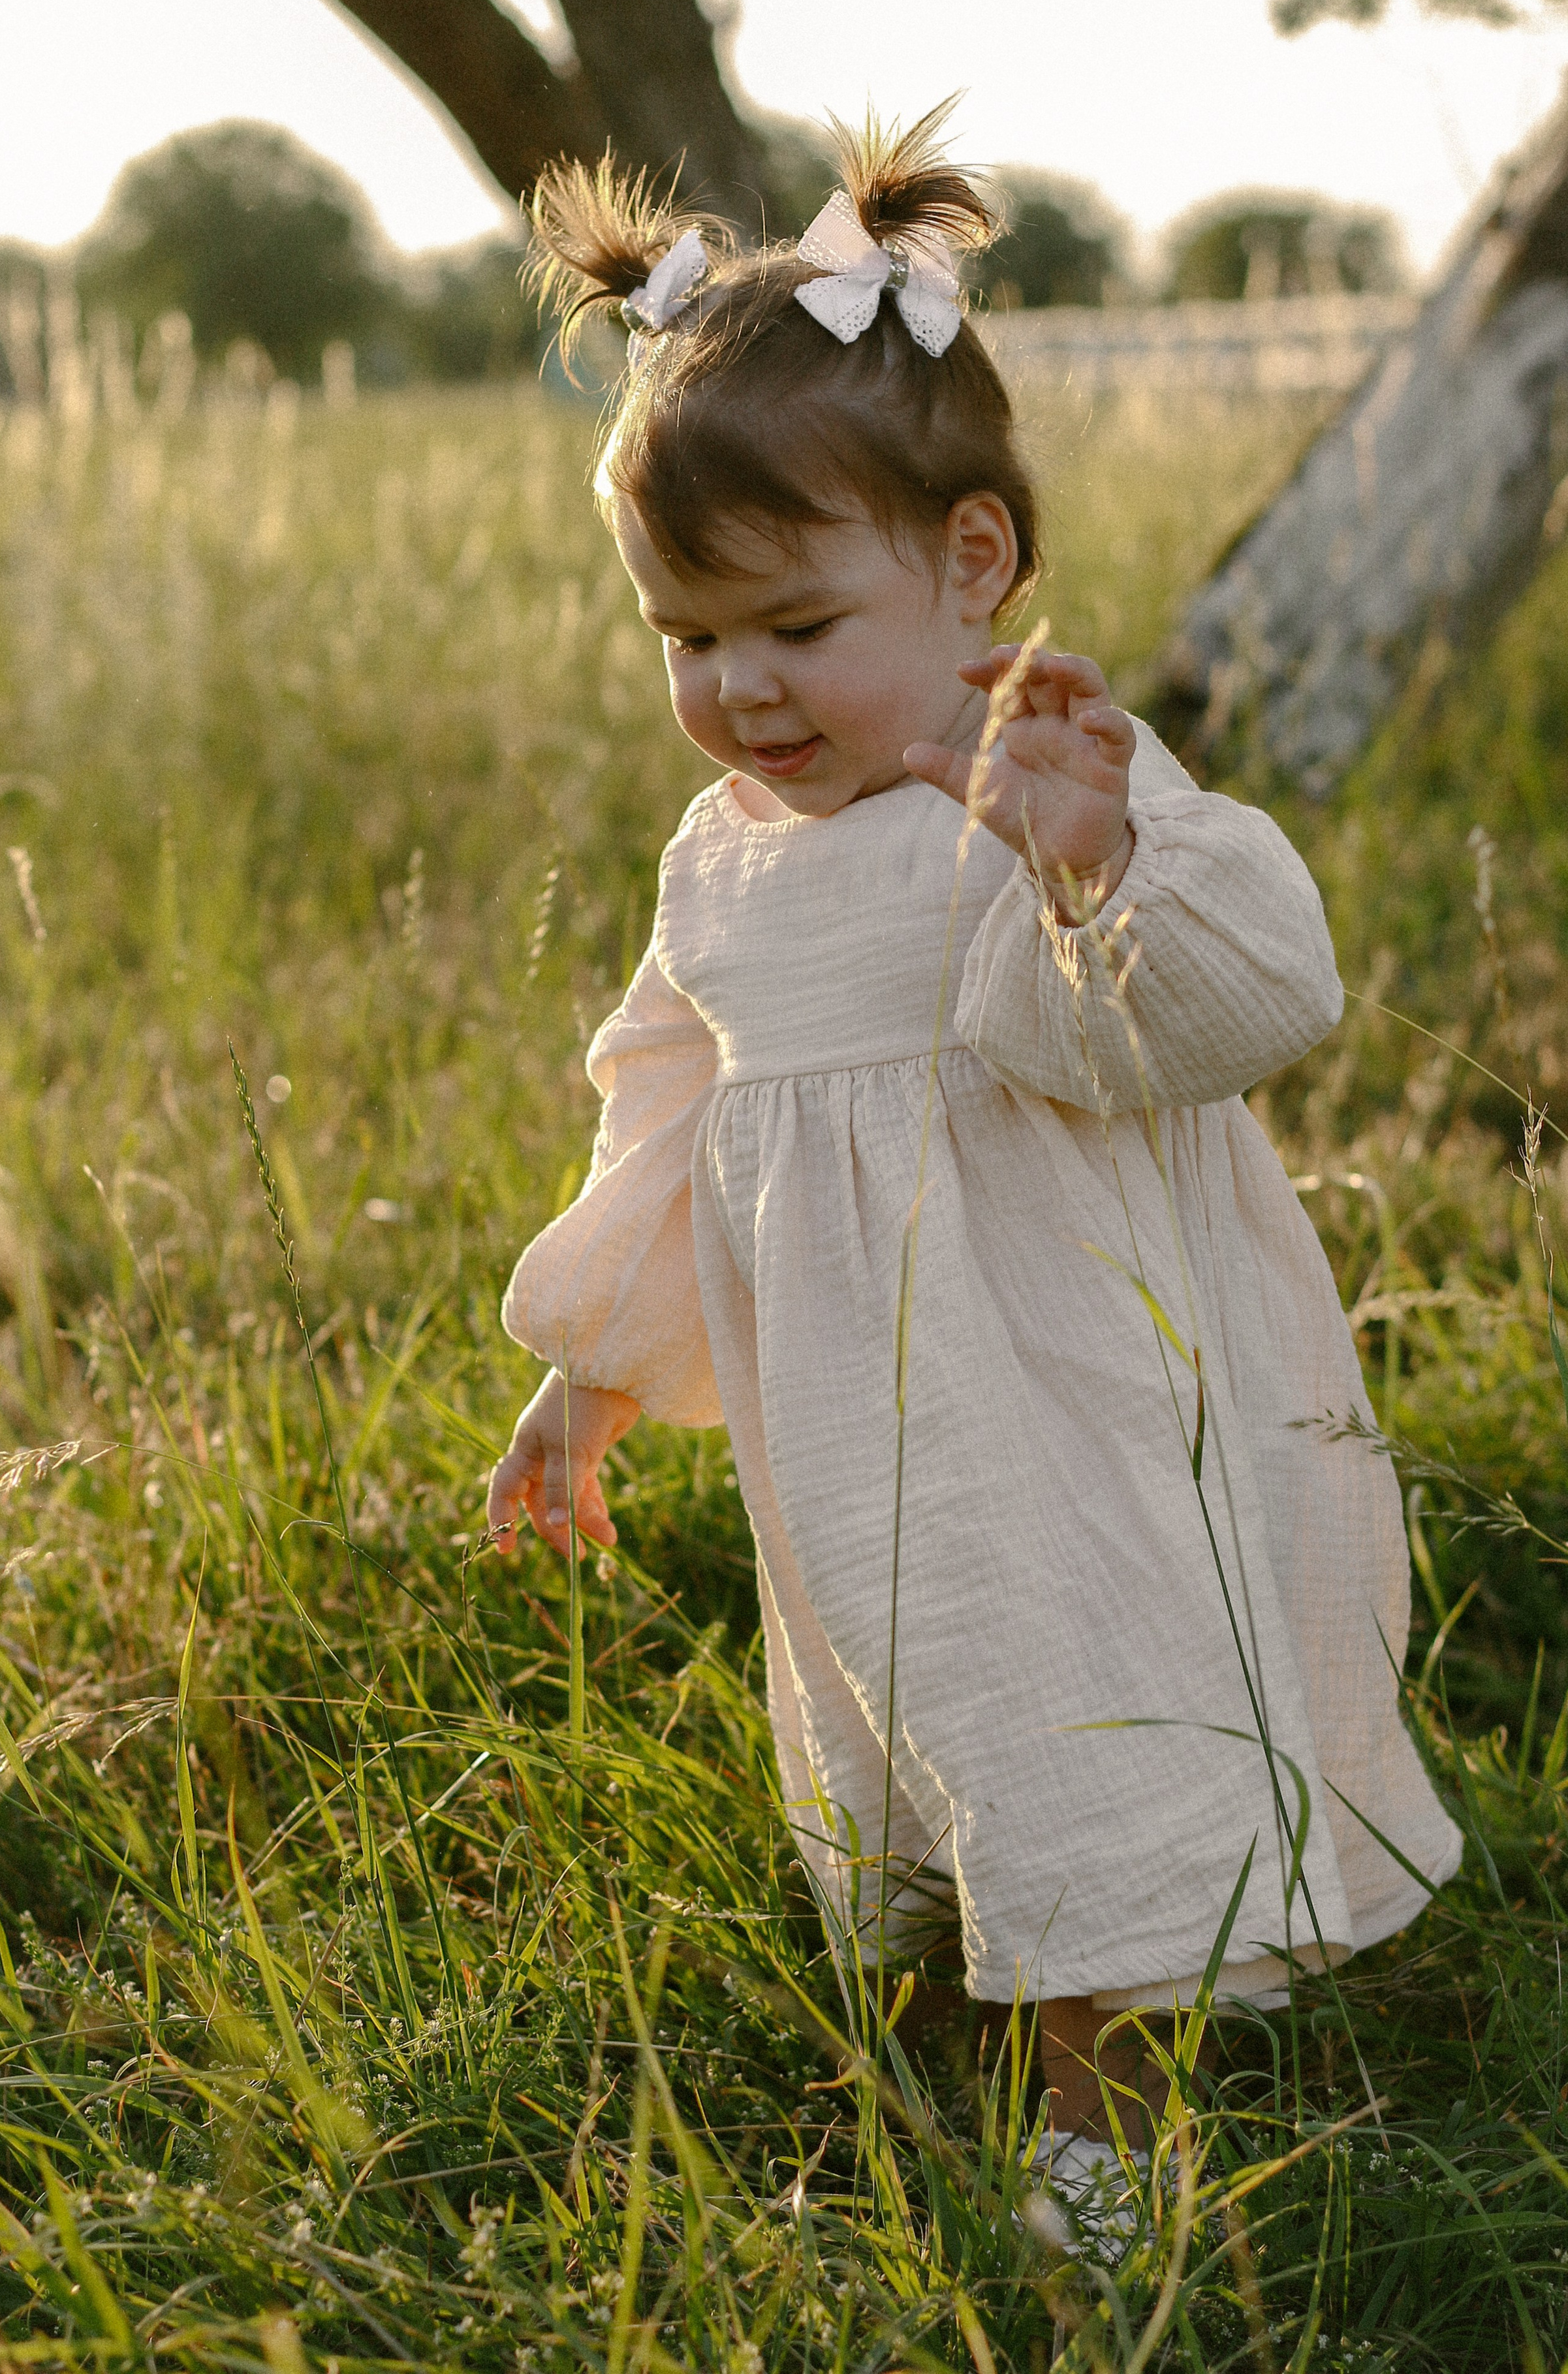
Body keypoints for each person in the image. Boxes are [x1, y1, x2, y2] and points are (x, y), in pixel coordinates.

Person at [486, 108, 1462, 2177]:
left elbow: (1245, 1005)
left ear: (973, 563)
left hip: (1087, 1396)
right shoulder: (720, 866)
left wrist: (1090, 870)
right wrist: (590, 1366)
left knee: (1075, 1707)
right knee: (925, 1720)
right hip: (866, 1427)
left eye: (794, 626)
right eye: (687, 638)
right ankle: (975, 2012)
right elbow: (671, 1117)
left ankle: (1109, 2144)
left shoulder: (1049, 775)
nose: (740, 688)